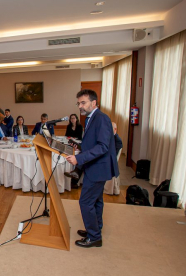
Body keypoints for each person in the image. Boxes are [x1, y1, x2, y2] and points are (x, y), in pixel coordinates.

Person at [65, 89, 119, 248]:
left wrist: (78, 158)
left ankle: (94, 237)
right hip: (94, 166)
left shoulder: (101, 119)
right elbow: (94, 143)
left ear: (93, 103)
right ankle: (95, 229)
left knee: (85, 202)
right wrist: (78, 148)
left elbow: (103, 147)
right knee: (96, 201)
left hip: (98, 168)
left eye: (83, 102)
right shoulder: (91, 118)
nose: (80, 106)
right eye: (78, 103)